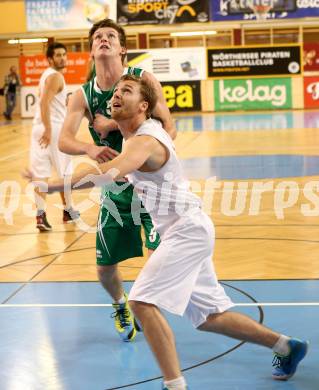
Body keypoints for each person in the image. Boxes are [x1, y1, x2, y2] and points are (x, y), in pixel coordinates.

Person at [42, 74, 308, 390]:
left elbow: (107, 173)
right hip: (185, 230)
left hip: (187, 231)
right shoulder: (132, 139)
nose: (115, 95)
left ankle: (175, 385)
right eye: (114, 91)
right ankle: (286, 346)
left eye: (125, 91)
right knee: (210, 317)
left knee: (140, 302)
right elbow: (124, 178)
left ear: (143, 105)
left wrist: (52, 185)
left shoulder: (145, 139)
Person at [58, 19, 176, 342]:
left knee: (157, 257)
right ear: (92, 49)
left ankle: (146, 306)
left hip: (149, 184)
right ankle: (121, 303)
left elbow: (169, 126)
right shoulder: (83, 95)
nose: (104, 40)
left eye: (111, 36)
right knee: (104, 269)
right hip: (114, 187)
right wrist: (90, 147)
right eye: (98, 37)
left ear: (122, 48)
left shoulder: (143, 80)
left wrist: (115, 126)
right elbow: (63, 141)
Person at [30, 42, 79, 231]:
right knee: (66, 173)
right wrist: (49, 130)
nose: (62, 58)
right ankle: (68, 211)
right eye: (58, 55)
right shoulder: (56, 76)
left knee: (41, 174)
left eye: (64, 54)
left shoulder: (45, 76)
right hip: (53, 129)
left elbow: (47, 102)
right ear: (50, 59)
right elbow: (44, 103)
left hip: (37, 129)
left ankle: (40, 216)